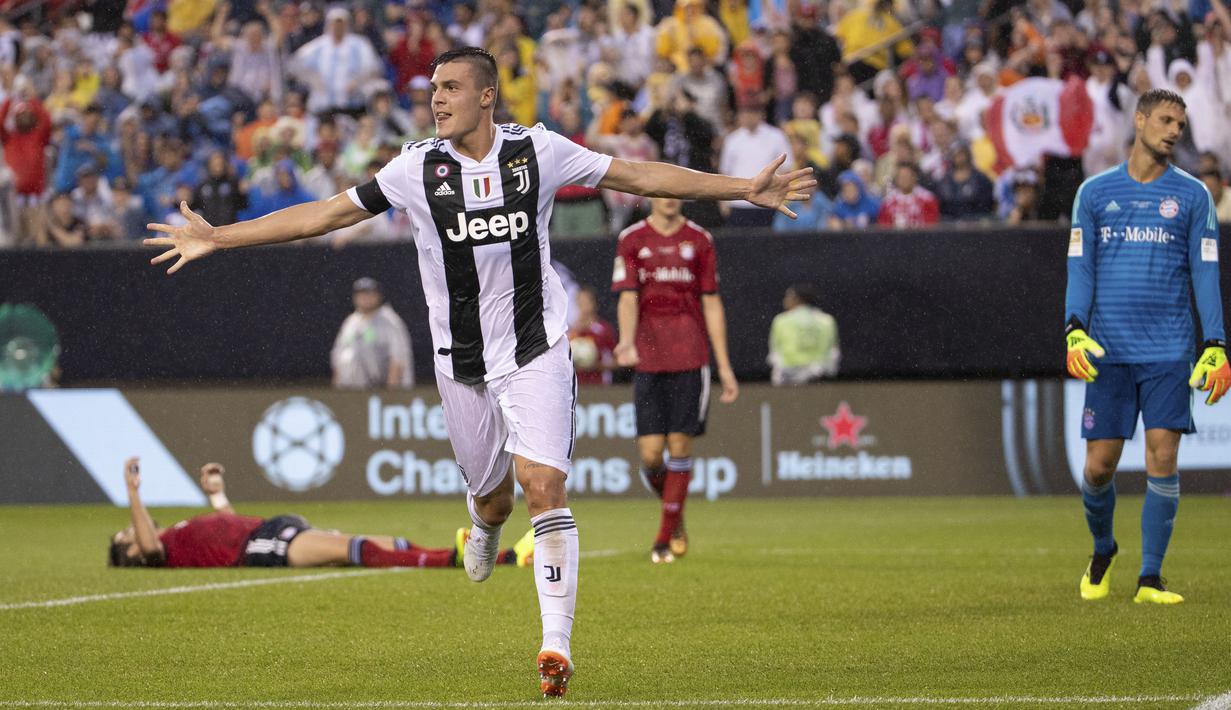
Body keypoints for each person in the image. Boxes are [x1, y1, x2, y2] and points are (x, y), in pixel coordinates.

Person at [143, 47, 813, 697]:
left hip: (536, 347)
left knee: (543, 484)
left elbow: (637, 175)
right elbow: (325, 214)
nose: (436, 98)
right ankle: (486, 526)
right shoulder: (414, 170)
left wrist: (741, 190)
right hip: (460, 362)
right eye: (432, 89)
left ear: (485, 95)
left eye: (450, 87)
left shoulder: (539, 153)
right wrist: (219, 236)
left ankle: (556, 646)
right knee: (494, 499)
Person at [1066, 89, 1228, 606]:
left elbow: (1206, 271)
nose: (1174, 130)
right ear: (1139, 120)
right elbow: (1081, 267)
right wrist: (1073, 327)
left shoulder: (1193, 196)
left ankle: (1150, 578)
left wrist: (1216, 342)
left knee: (1163, 456)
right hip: (1109, 348)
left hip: (1169, 349)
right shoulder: (1093, 193)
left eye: (1180, 123)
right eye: (1165, 120)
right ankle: (1103, 547)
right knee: (1099, 468)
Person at [110, 457, 531, 570]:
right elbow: (149, 548)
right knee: (354, 548)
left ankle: (496, 557)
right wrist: (133, 493)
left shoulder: (174, 534)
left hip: (263, 529)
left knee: (381, 544)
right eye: (124, 540)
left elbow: (226, 529)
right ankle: (454, 558)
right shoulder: (155, 550)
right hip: (261, 546)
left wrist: (218, 499)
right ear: (130, 553)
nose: (129, 532)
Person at [611, 196, 738, 565]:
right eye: (661, 189)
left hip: (690, 355)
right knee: (651, 456)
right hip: (649, 357)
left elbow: (712, 302)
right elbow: (628, 297)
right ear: (651, 195)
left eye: (674, 189)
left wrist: (724, 366)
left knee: (681, 446)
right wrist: (626, 340)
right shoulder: (632, 238)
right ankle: (675, 510)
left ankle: (664, 538)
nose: (668, 197)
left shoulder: (699, 239)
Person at [331, 277, 414, 390]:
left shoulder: (389, 320)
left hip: (380, 389)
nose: (365, 298)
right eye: (361, 294)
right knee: (348, 355)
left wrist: (391, 394)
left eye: (369, 293)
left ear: (378, 296)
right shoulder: (350, 322)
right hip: (351, 391)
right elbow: (338, 357)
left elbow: (398, 358)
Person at [767, 284, 840, 385]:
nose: (785, 299)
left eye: (788, 296)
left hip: (790, 378)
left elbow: (775, 352)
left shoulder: (781, 320)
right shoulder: (827, 320)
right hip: (819, 377)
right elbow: (833, 353)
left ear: (797, 298)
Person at [568, 285, 617, 386]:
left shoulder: (603, 329)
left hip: (600, 386)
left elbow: (617, 360)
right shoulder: (569, 331)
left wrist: (596, 365)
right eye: (580, 302)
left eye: (586, 302)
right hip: (575, 386)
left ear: (593, 303)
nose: (583, 305)